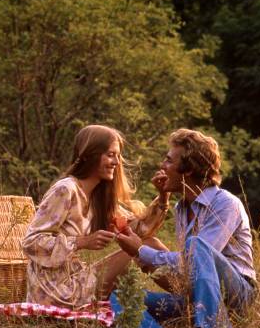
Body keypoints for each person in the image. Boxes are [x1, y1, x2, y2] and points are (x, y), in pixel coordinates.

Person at [115, 128, 257, 328]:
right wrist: (163, 197)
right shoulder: (181, 207)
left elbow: (194, 258)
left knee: (195, 244)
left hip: (237, 294)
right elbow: (186, 271)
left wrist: (141, 252)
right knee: (122, 297)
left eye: (169, 161)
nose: (162, 166)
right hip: (197, 295)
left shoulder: (226, 203)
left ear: (188, 169)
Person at [21, 124, 170, 308]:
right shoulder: (66, 189)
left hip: (77, 280)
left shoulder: (97, 198)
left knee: (148, 243)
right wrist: (82, 241)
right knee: (147, 246)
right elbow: (31, 242)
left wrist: (163, 197)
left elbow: (141, 231)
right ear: (90, 155)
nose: (116, 162)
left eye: (118, 156)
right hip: (55, 291)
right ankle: (191, 296)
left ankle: (189, 295)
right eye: (110, 154)